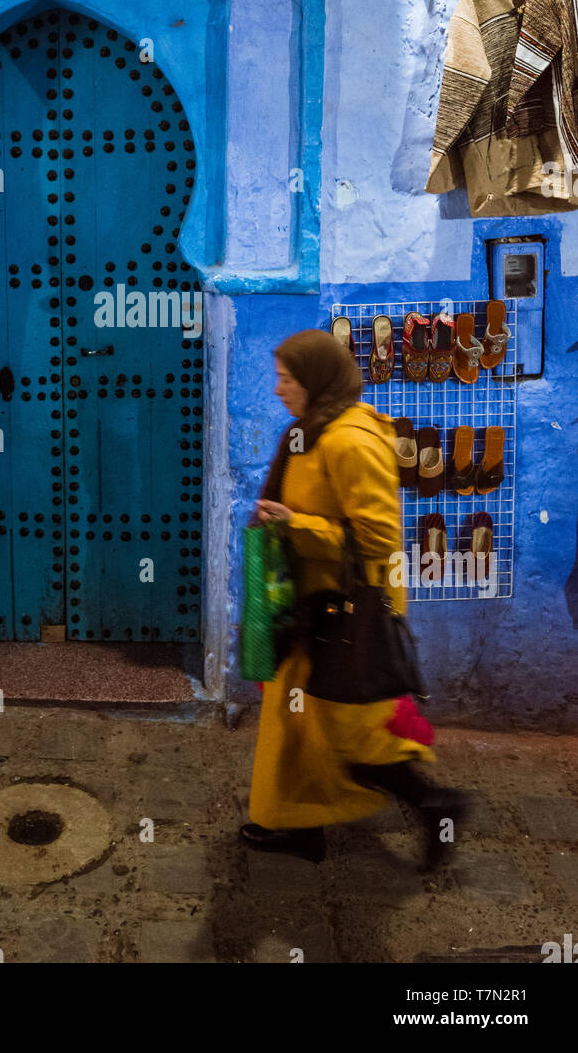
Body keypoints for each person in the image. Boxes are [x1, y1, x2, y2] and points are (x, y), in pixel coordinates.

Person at [241, 328, 468, 871]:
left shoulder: (349, 440)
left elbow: (379, 539)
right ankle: (302, 824)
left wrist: (299, 525)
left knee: (349, 732)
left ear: (317, 380)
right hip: (315, 602)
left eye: (287, 379)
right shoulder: (316, 430)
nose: (278, 390)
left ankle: (435, 804)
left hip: (347, 610)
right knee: (302, 720)